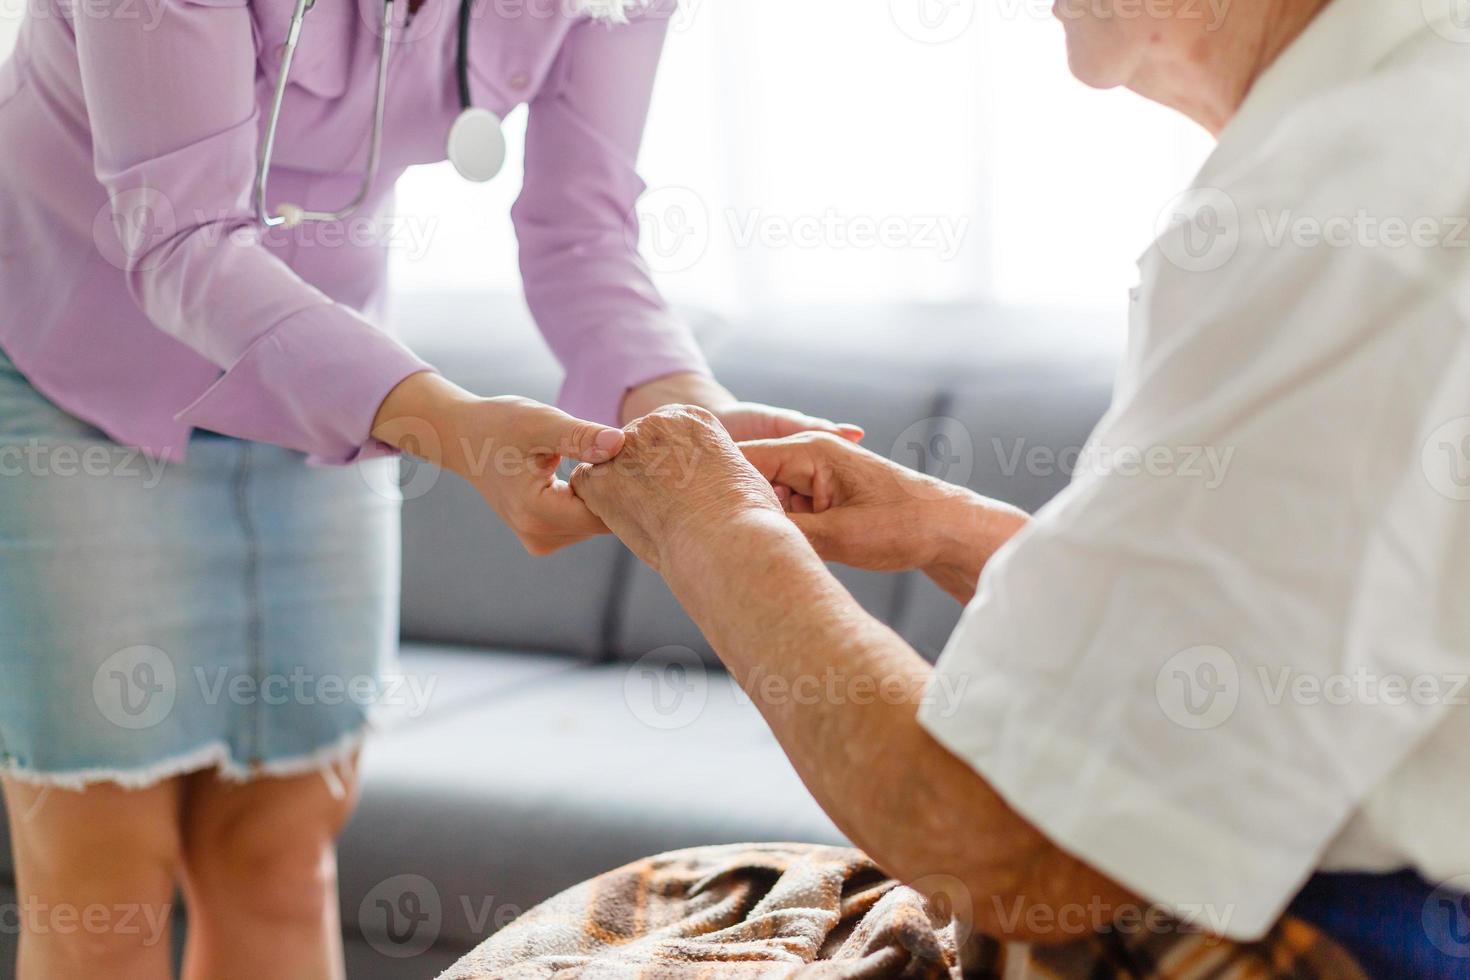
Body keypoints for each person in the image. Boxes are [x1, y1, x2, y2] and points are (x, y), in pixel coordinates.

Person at [564, 0, 1470, 974]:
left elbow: (1013, 849)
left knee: (607, 936)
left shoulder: (1342, 202)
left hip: (1333, 939)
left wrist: (711, 525)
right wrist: (950, 530)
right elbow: (1277, 644)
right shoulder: (1400, 125)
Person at [0, 0, 857, 977]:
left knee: (281, 852)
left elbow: (583, 232)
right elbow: (184, 238)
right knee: (102, 875)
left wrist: (696, 420)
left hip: (322, 383)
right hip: (70, 363)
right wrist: (445, 421)